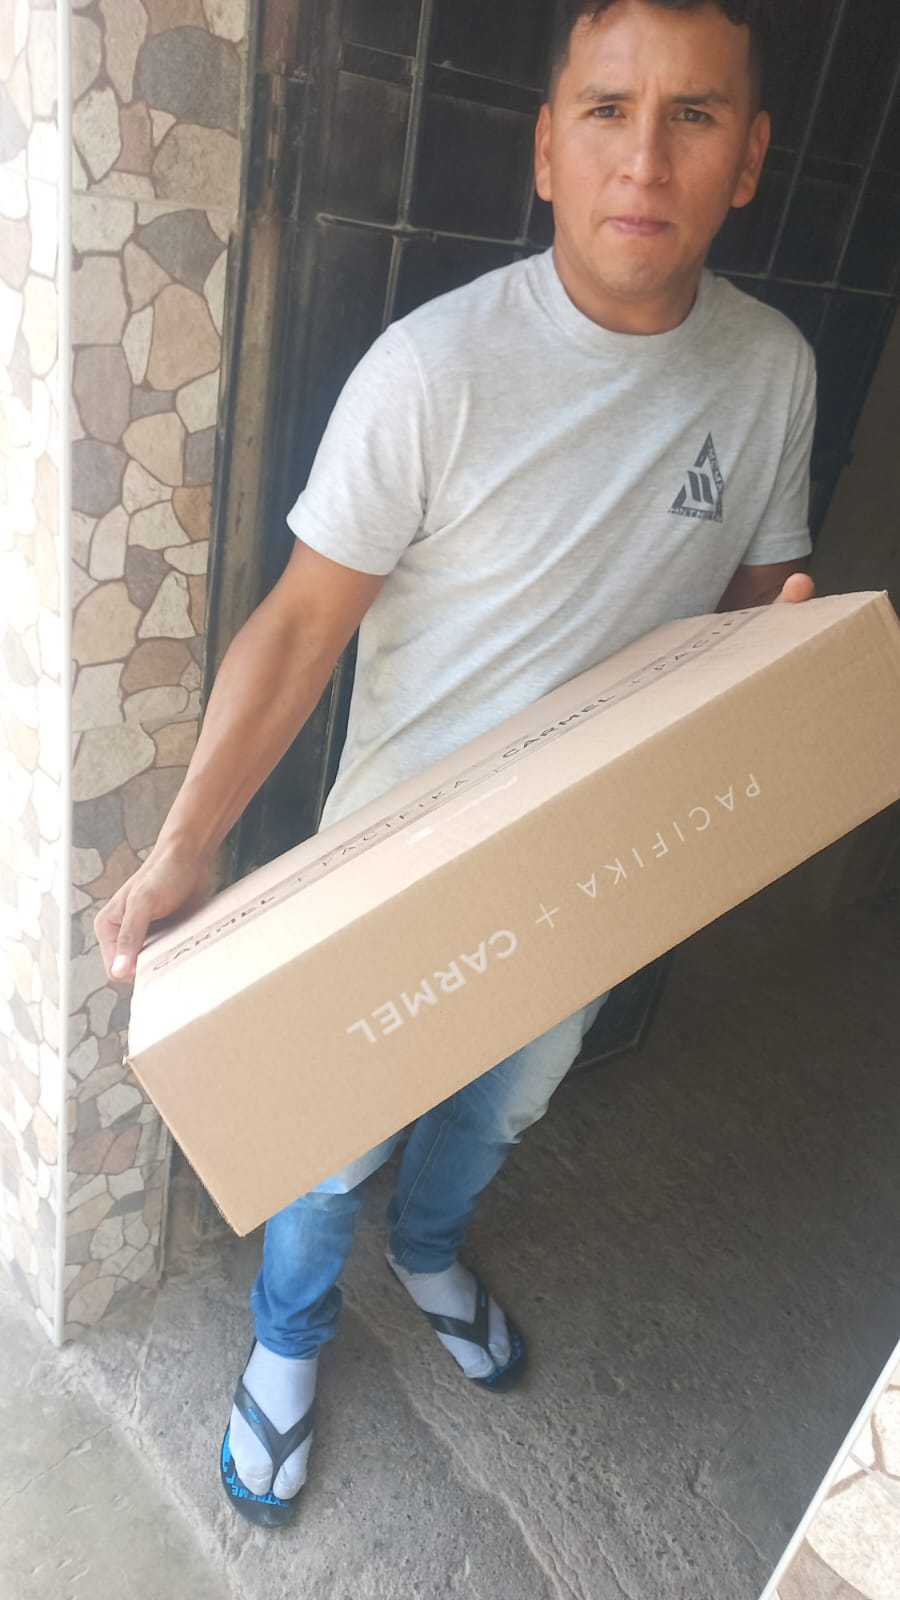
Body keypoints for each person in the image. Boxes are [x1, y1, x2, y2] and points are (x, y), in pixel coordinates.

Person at [95, 0, 817, 1529]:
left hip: (598, 862)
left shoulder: (773, 372)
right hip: (399, 864)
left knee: (504, 1105)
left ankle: (429, 1249)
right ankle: (289, 1338)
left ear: (749, 159)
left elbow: (760, 600)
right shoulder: (433, 370)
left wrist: (782, 674)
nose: (646, 157)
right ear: (547, 148)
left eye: (694, 116)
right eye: (608, 110)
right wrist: (184, 847)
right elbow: (301, 625)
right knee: (325, 1142)